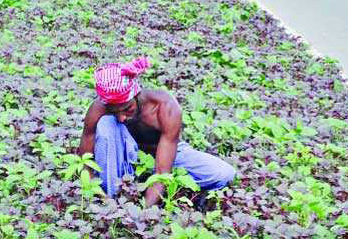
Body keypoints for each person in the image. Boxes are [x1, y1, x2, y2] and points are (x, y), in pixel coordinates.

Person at [77, 56, 236, 209]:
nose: (122, 117)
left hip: (164, 156)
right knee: (106, 124)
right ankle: (113, 194)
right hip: (121, 158)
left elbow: (162, 173)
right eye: (114, 111)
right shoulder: (99, 109)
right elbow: (85, 162)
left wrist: (141, 214)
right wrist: (98, 197)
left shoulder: (165, 108)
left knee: (224, 174)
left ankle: (147, 183)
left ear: (137, 94)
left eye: (127, 109)